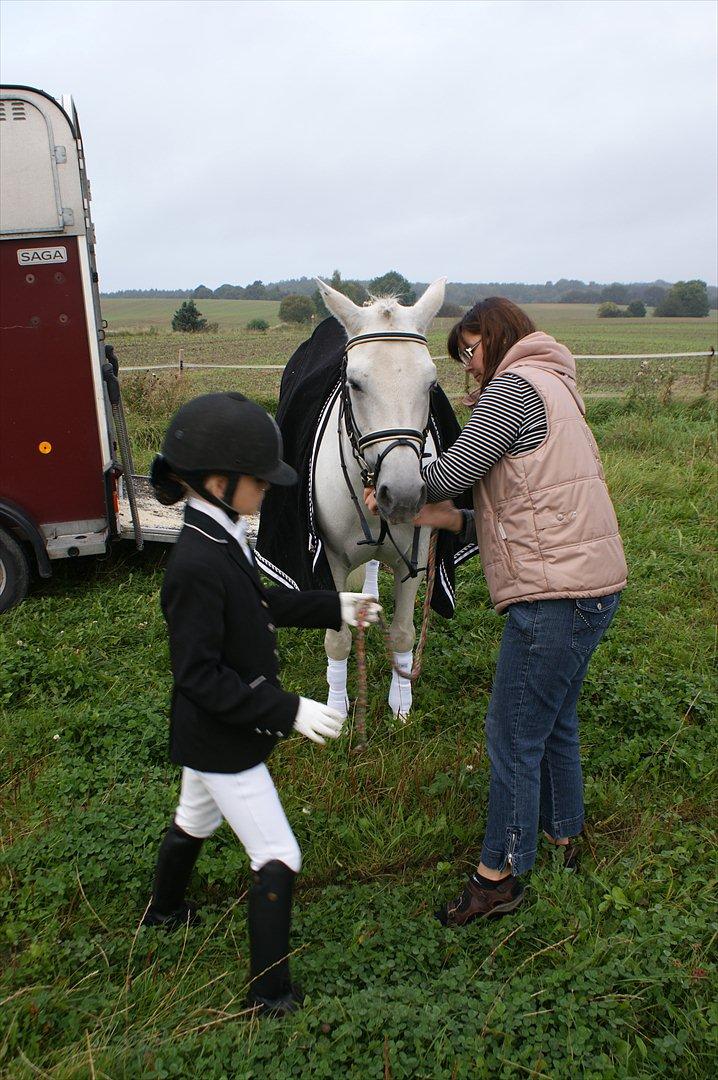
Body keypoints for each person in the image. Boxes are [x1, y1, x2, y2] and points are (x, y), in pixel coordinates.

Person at [365, 298, 627, 926]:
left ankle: (499, 875)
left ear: (498, 336)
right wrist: (439, 518)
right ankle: (564, 835)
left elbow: (448, 473)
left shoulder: (514, 388)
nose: (470, 366)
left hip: (555, 595)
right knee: (554, 721)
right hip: (591, 586)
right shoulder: (557, 388)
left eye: (470, 349)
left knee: (512, 735)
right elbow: (514, 508)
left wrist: (398, 491)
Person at [143, 392, 380, 1016]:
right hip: (222, 739)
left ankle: (162, 912)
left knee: (195, 818)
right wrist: (287, 710)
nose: (268, 488)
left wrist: (335, 606)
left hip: (210, 735)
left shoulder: (222, 534)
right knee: (278, 856)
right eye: (258, 479)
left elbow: (261, 603)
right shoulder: (194, 564)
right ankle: (269, 995)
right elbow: (199, 677)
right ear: (218, 482)